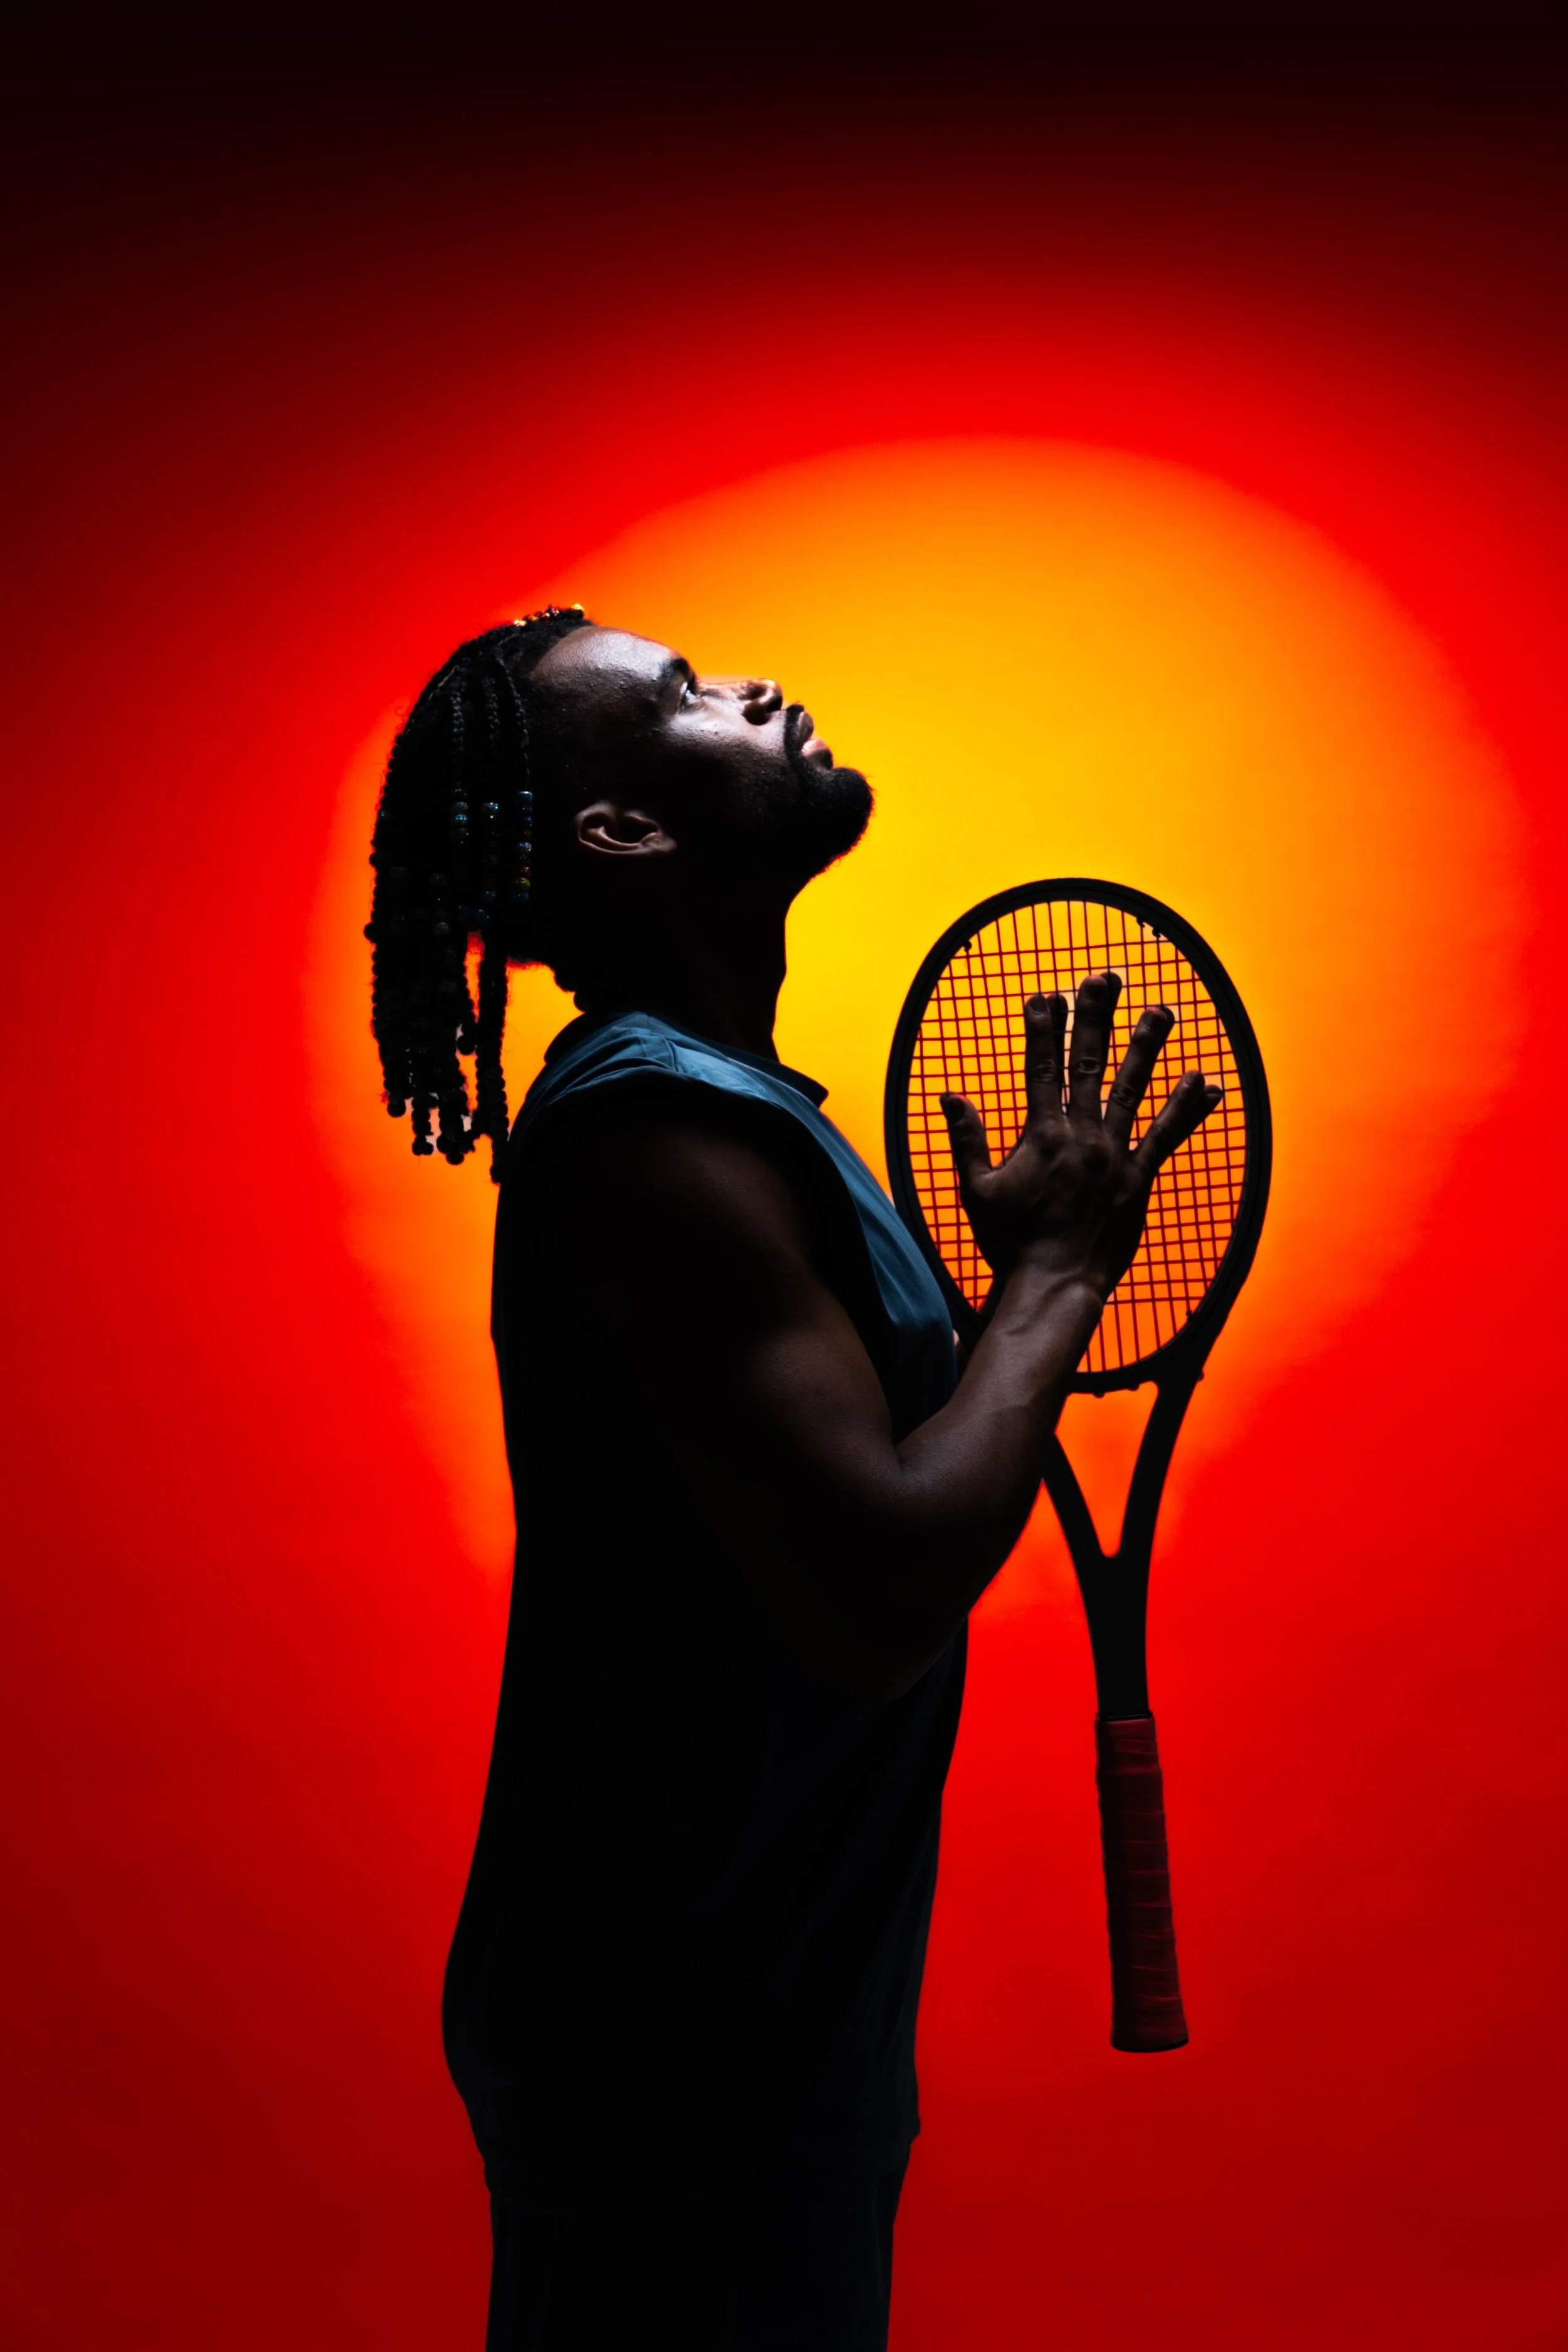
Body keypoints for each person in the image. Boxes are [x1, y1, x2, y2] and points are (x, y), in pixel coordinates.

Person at [365, 605, 1220, 2348]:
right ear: (620, 829)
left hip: (755, 1993)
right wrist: (1053, 1279)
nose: (748, 682)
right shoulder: (647, 1133)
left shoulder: (730, 1114)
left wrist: (1014, 1294)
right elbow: (884, 1584)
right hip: (679, 2014)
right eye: (683, 693)